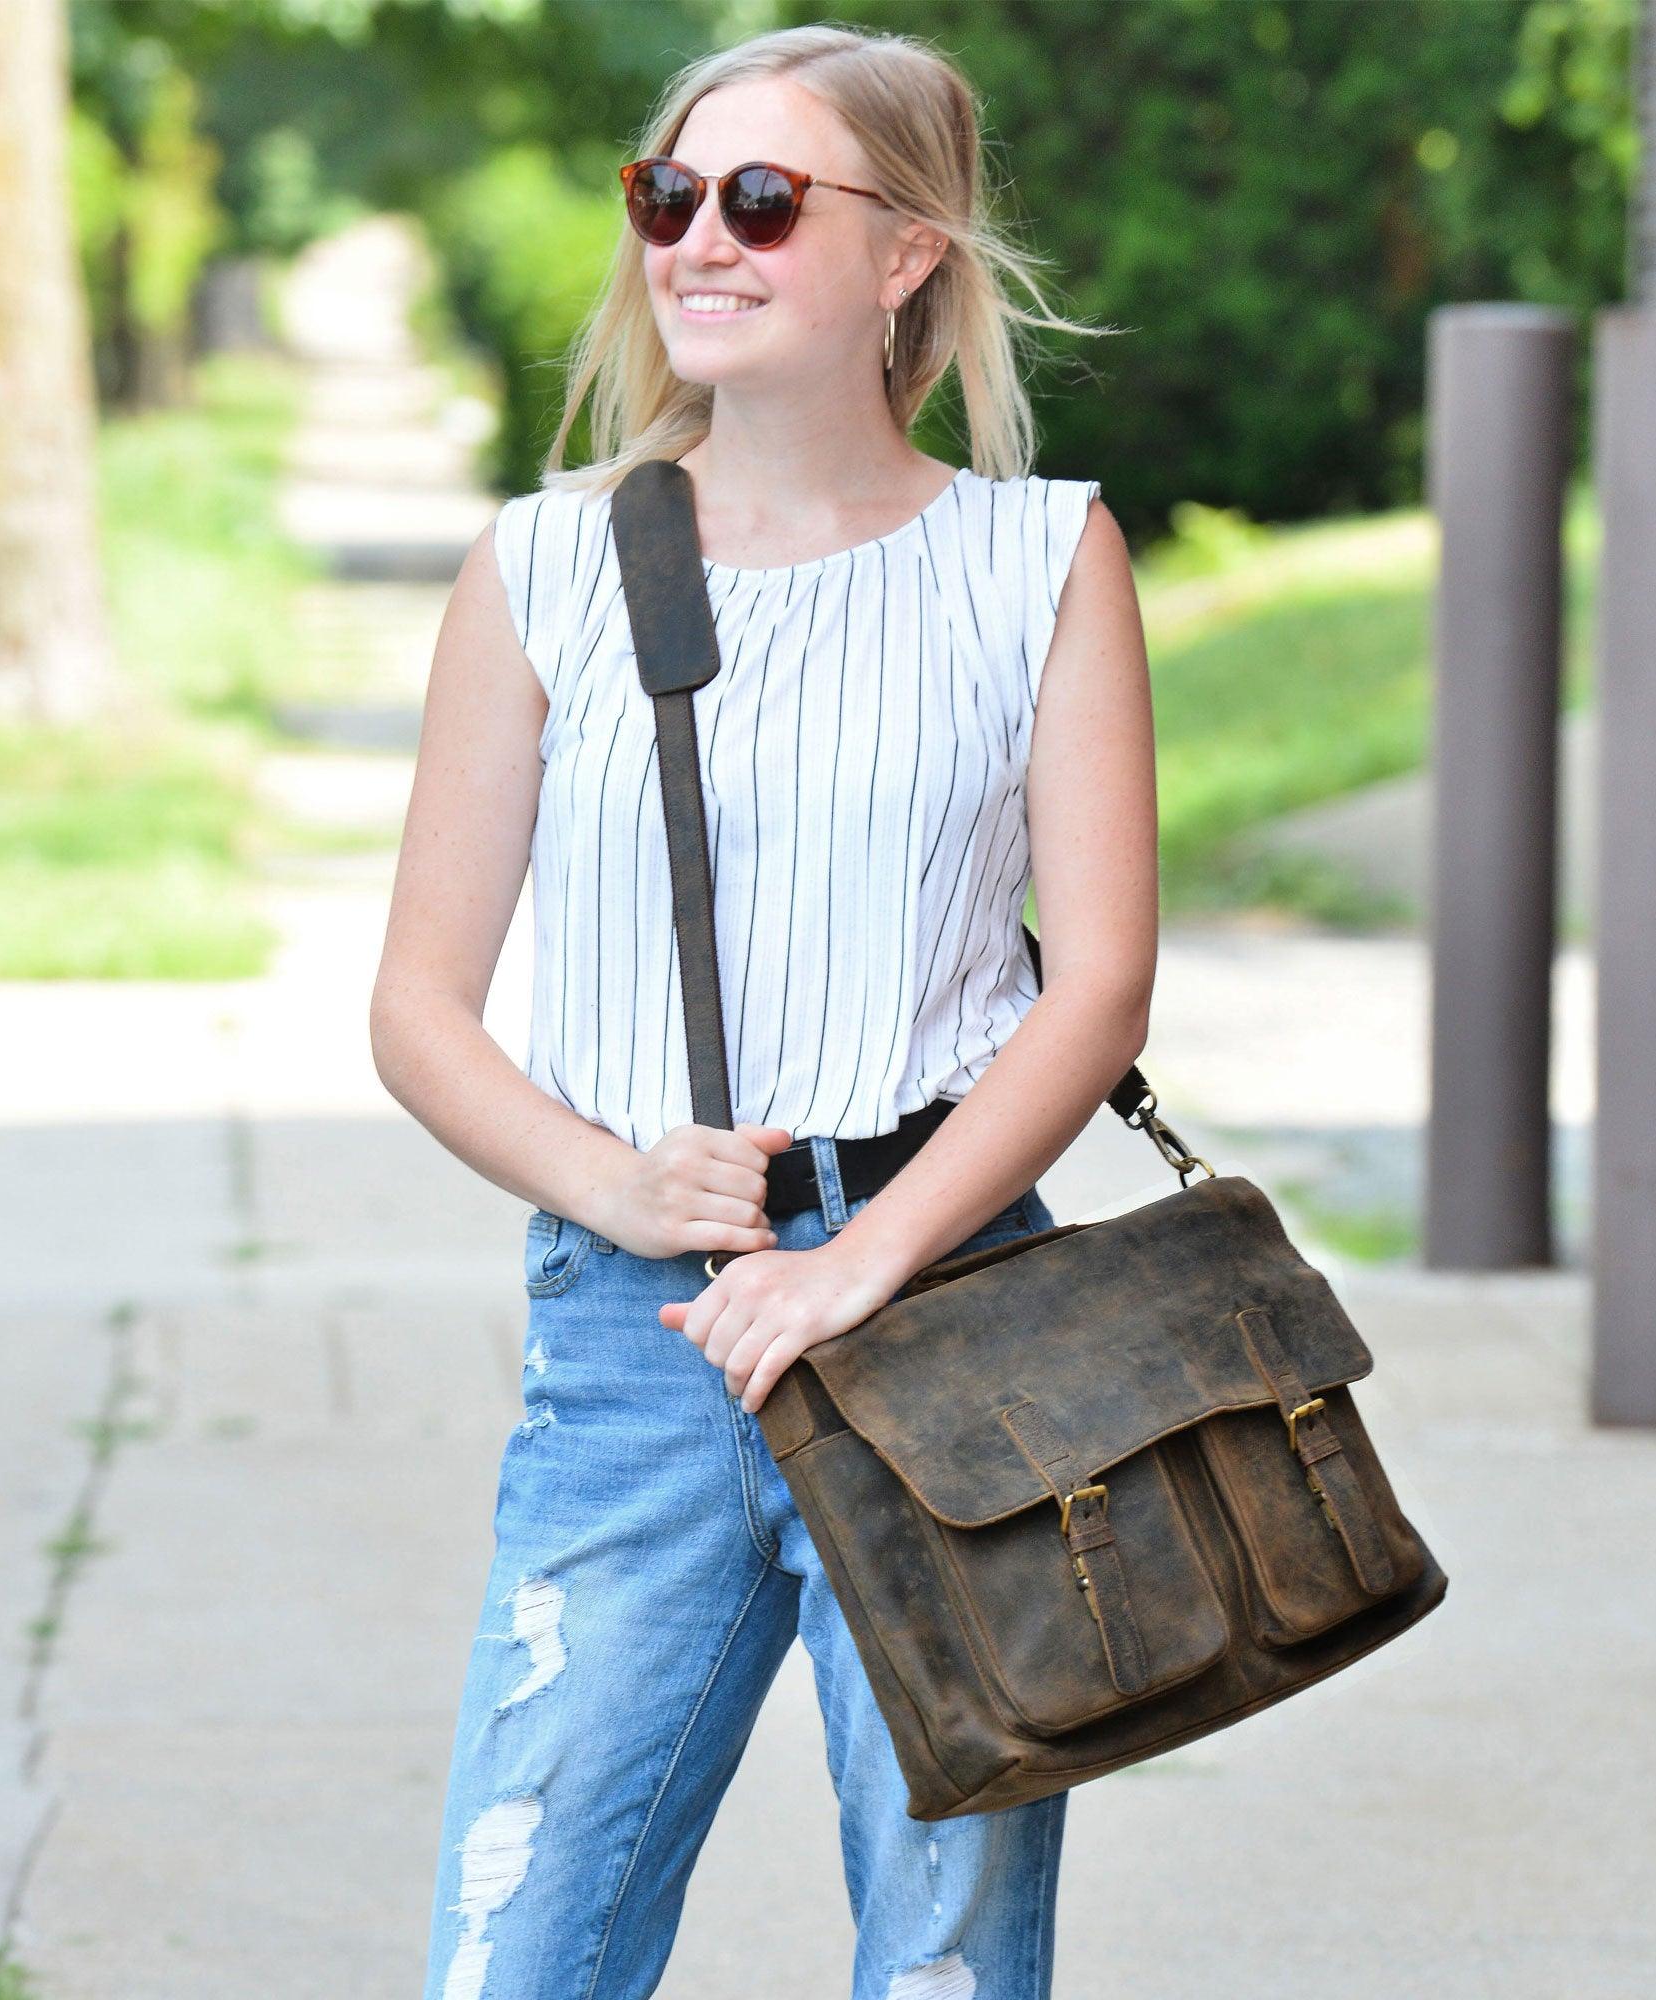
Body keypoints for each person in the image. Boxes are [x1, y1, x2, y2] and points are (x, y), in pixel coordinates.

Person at [370, 22, 1156, 1999]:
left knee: (951, 1950)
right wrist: (616, 1184)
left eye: (761, 199)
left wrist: (862, 1258)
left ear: (905, 254)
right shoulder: (546, 567)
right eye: (669, 197)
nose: (696, 241)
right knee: (519, 1936)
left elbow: (1102, 983)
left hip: (952, 1325)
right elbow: (419, 1003)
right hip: (637, 1343)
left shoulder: (1038, 559)